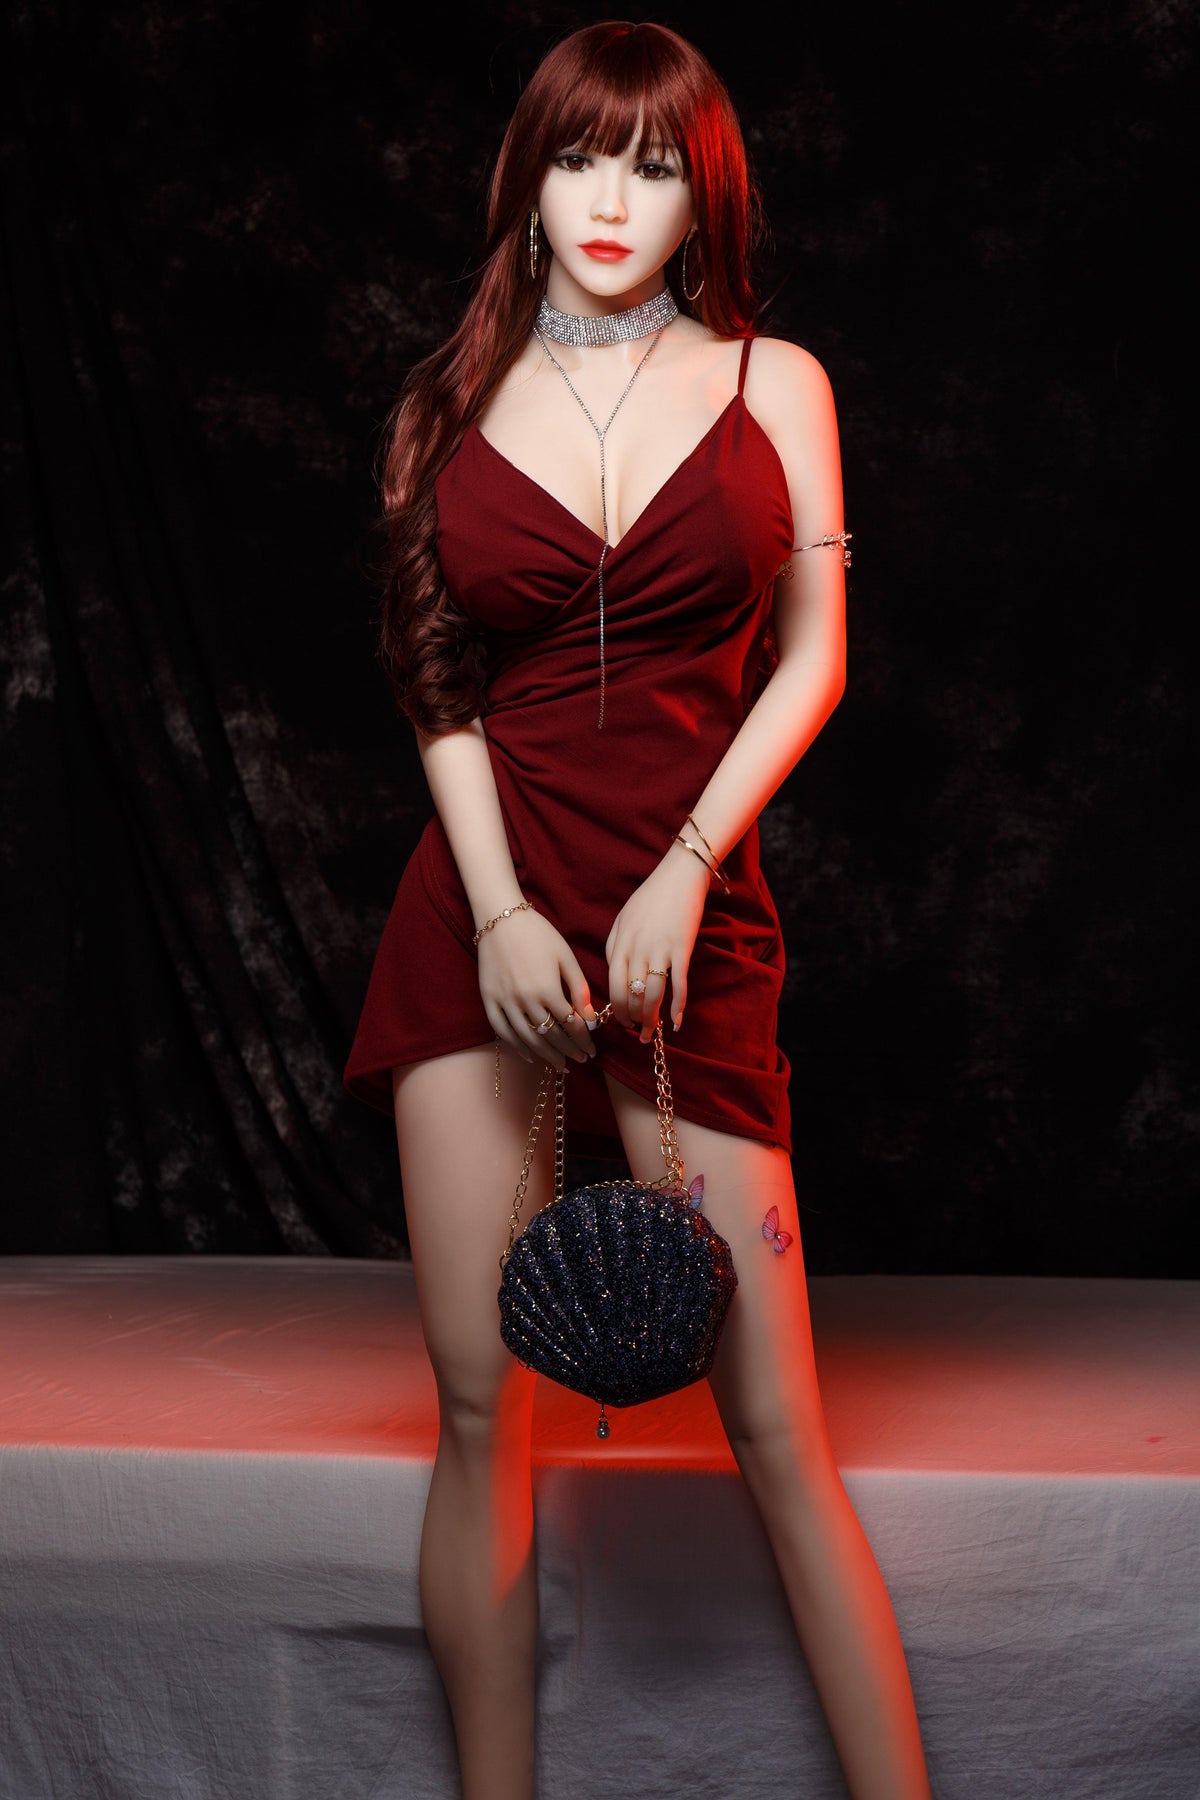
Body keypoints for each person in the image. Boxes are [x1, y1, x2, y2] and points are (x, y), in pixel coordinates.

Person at [344, 20, 931, 1800]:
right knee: (478, 1407)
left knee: (778, 1425)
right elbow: (437, 683)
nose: (613, 199)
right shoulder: (448, 401)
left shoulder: (777, 383)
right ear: (527, 180)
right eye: (581, 157)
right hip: (489, 912)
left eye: (657, 168)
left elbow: (814, 662)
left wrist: (683, 865)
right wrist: (501, 916)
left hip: (693, 919)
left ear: (706, 199)